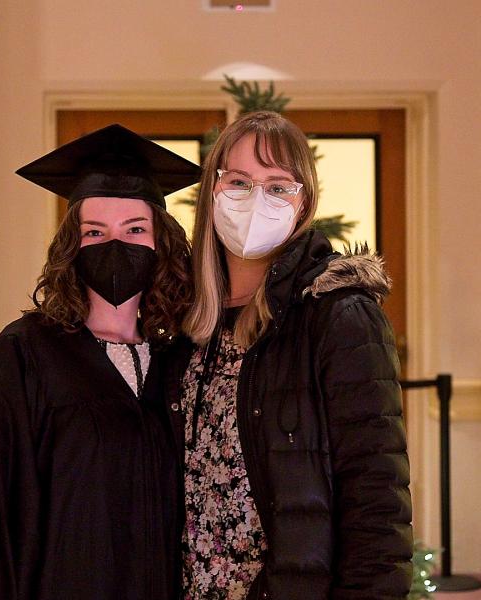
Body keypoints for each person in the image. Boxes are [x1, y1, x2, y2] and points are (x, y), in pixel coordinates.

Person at [0, 124, 201, 600]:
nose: (114, 246)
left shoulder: (179, 362)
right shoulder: (22, 357)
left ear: (162, 243)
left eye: (135, 230)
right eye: (94, 232)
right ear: (70, 248)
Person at [164, 111, 413, 600]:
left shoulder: (338, 316)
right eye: (239, 181)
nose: (257, 199)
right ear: (212, 192)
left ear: (303, 204)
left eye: (279, 186)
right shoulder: (183, 322)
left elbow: (376, 497)